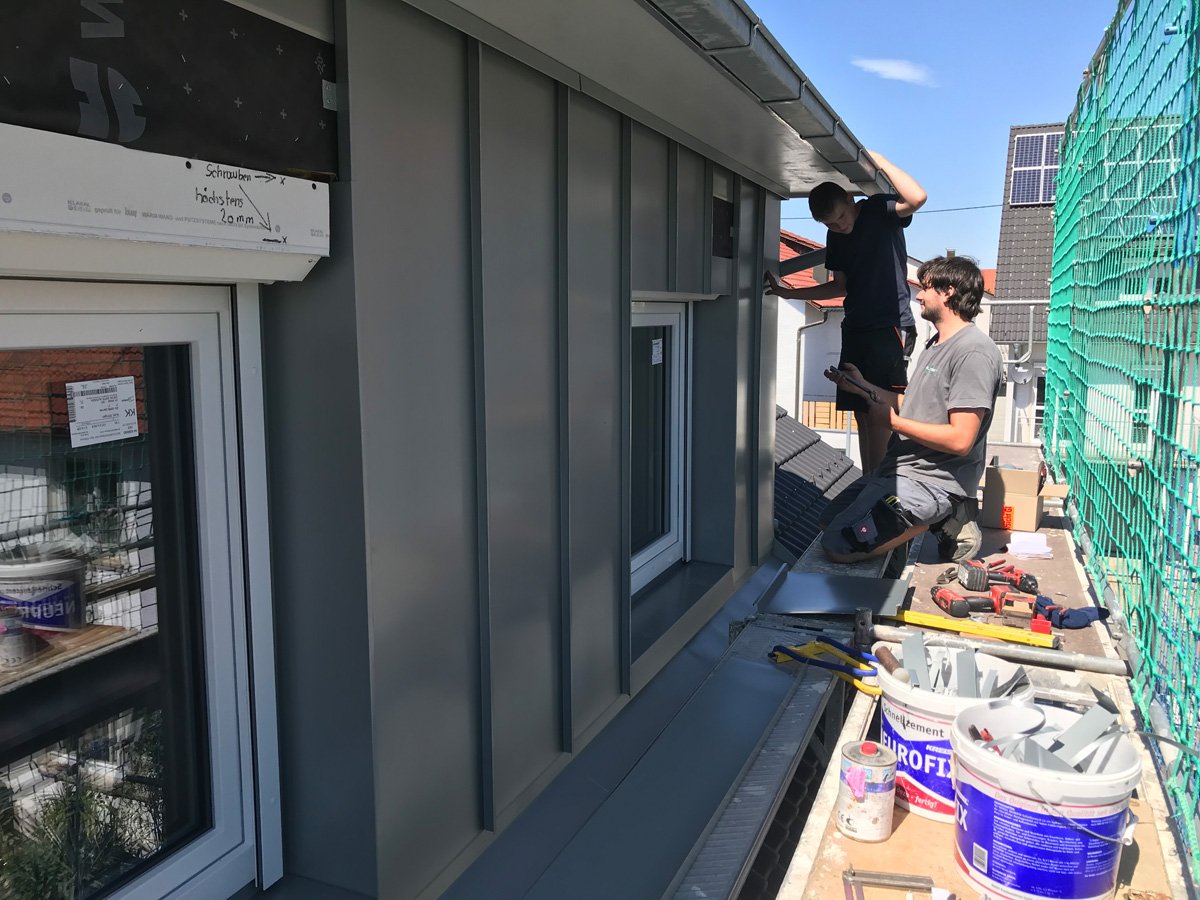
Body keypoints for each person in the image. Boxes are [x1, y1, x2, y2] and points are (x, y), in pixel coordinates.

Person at [816, 255, 1001, 563]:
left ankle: (949, 514)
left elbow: (961, 440)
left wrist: (893, 423)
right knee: (827, 522)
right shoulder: (936, 345)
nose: (918, 296)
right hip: (900, 469)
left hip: (933, 479)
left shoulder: (973, 353)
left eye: (925, 288)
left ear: (948, 292)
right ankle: (918, 519)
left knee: (839, 546)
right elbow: (912, 406)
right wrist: (862, 387)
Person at [765, 152, 927, 474]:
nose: (840, 226)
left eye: (841, 217)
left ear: (851, 200)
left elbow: (917, 198)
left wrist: (876, 159)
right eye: (830, 224)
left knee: (879, 408)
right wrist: (788, 292)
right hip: (855, 326)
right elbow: (840, 287)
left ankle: (877, 489)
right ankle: (869, 482)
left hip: (888, 325)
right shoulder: (835, 236)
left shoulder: (879, 209)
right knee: (861, 409)